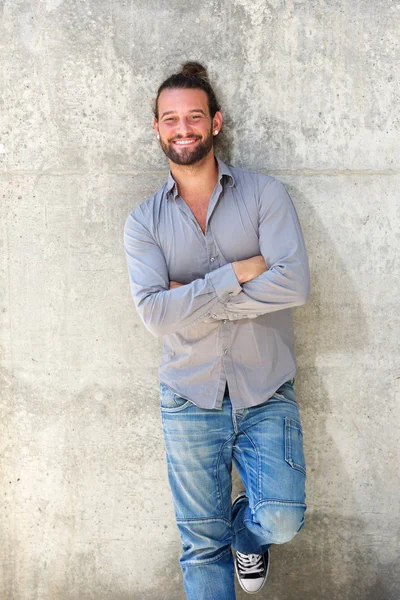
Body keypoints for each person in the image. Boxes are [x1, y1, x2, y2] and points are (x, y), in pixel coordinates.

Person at [124, 61, 310, 599]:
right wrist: (235, 274)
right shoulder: (143, 222)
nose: (184, 128)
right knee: (201, 546)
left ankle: (246, 531)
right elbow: (155, 316)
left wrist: (195, 296)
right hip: (188, 396)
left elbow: (294, 286)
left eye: (195, 117)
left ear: (217, 122)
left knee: (280, 519)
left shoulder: (264, 194)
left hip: (266, 388)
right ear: (157, 127)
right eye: (171, 119)